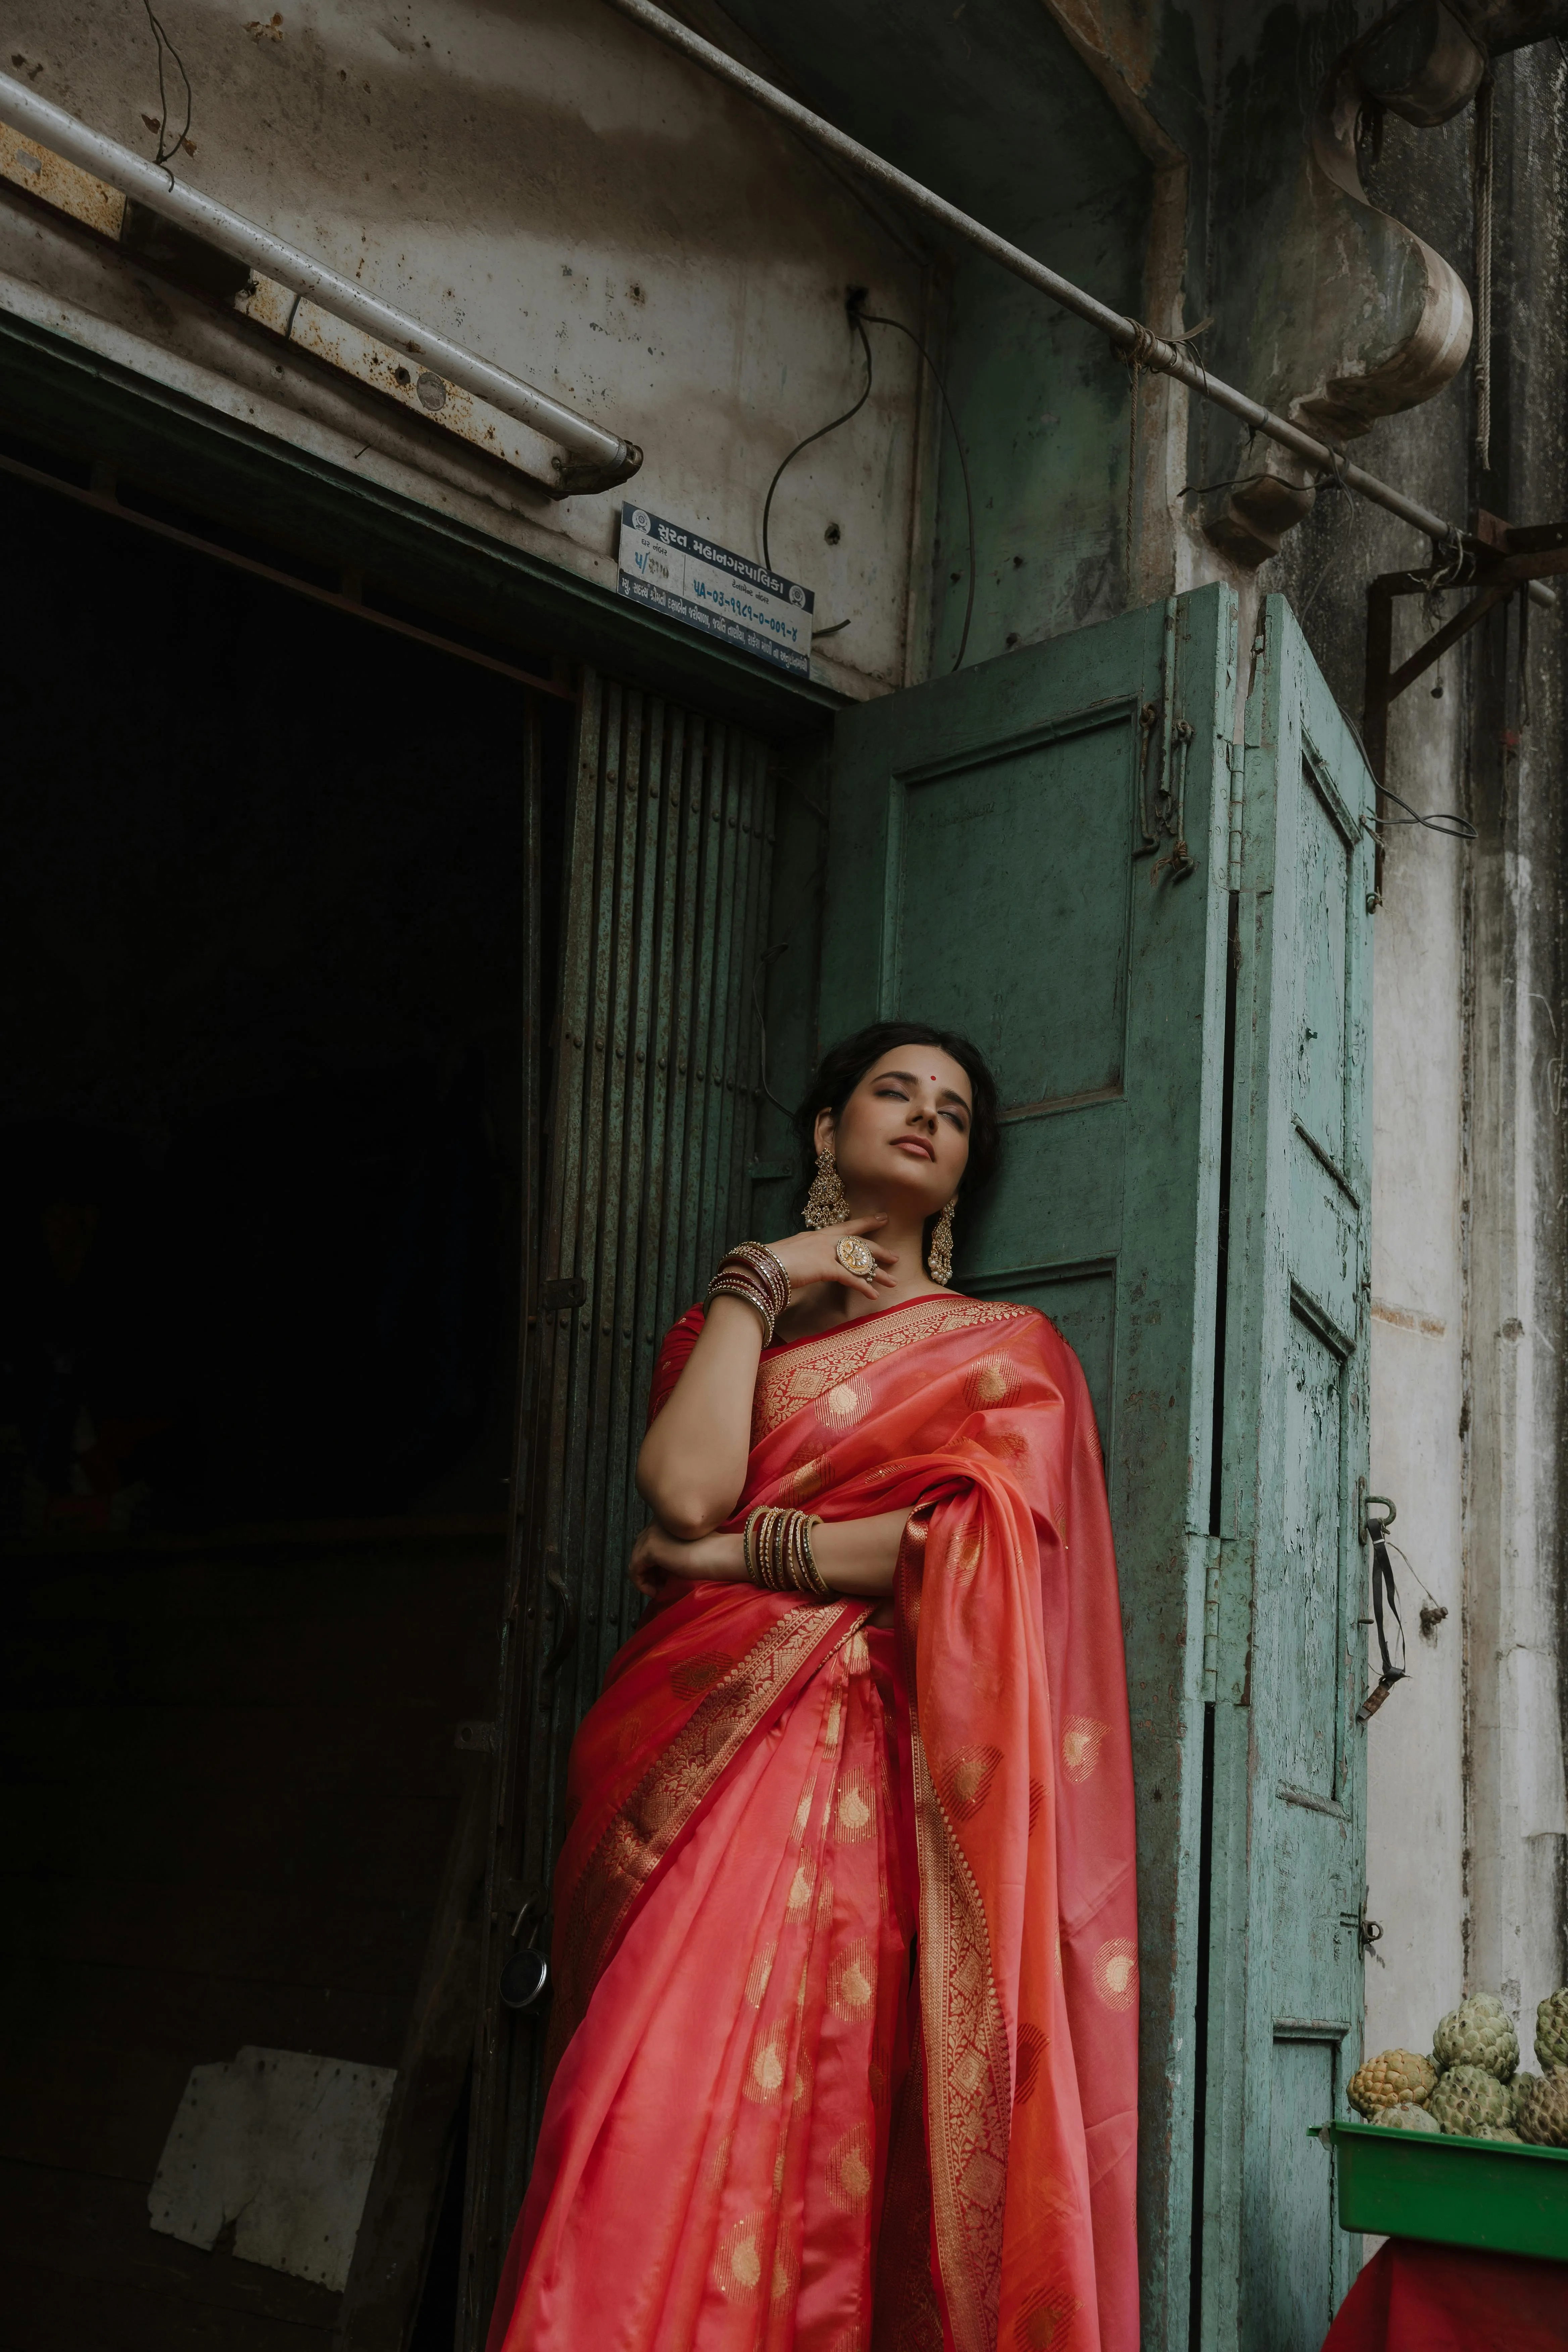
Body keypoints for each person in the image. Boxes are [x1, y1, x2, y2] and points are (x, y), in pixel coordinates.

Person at [485, 1022, 1138, 2352]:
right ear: (824, 1132)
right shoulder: (739, 1332)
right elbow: (679, 1484)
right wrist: (759, 1276)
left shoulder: (1007, 1355)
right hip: (691, 1754)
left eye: (951, 1111)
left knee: (820, 2127)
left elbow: (968, 1553)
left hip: (867, 1775)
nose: (922, 1116)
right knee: (634, 2101)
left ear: (963, 1172)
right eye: (890, 1092)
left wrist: (732, 1555)